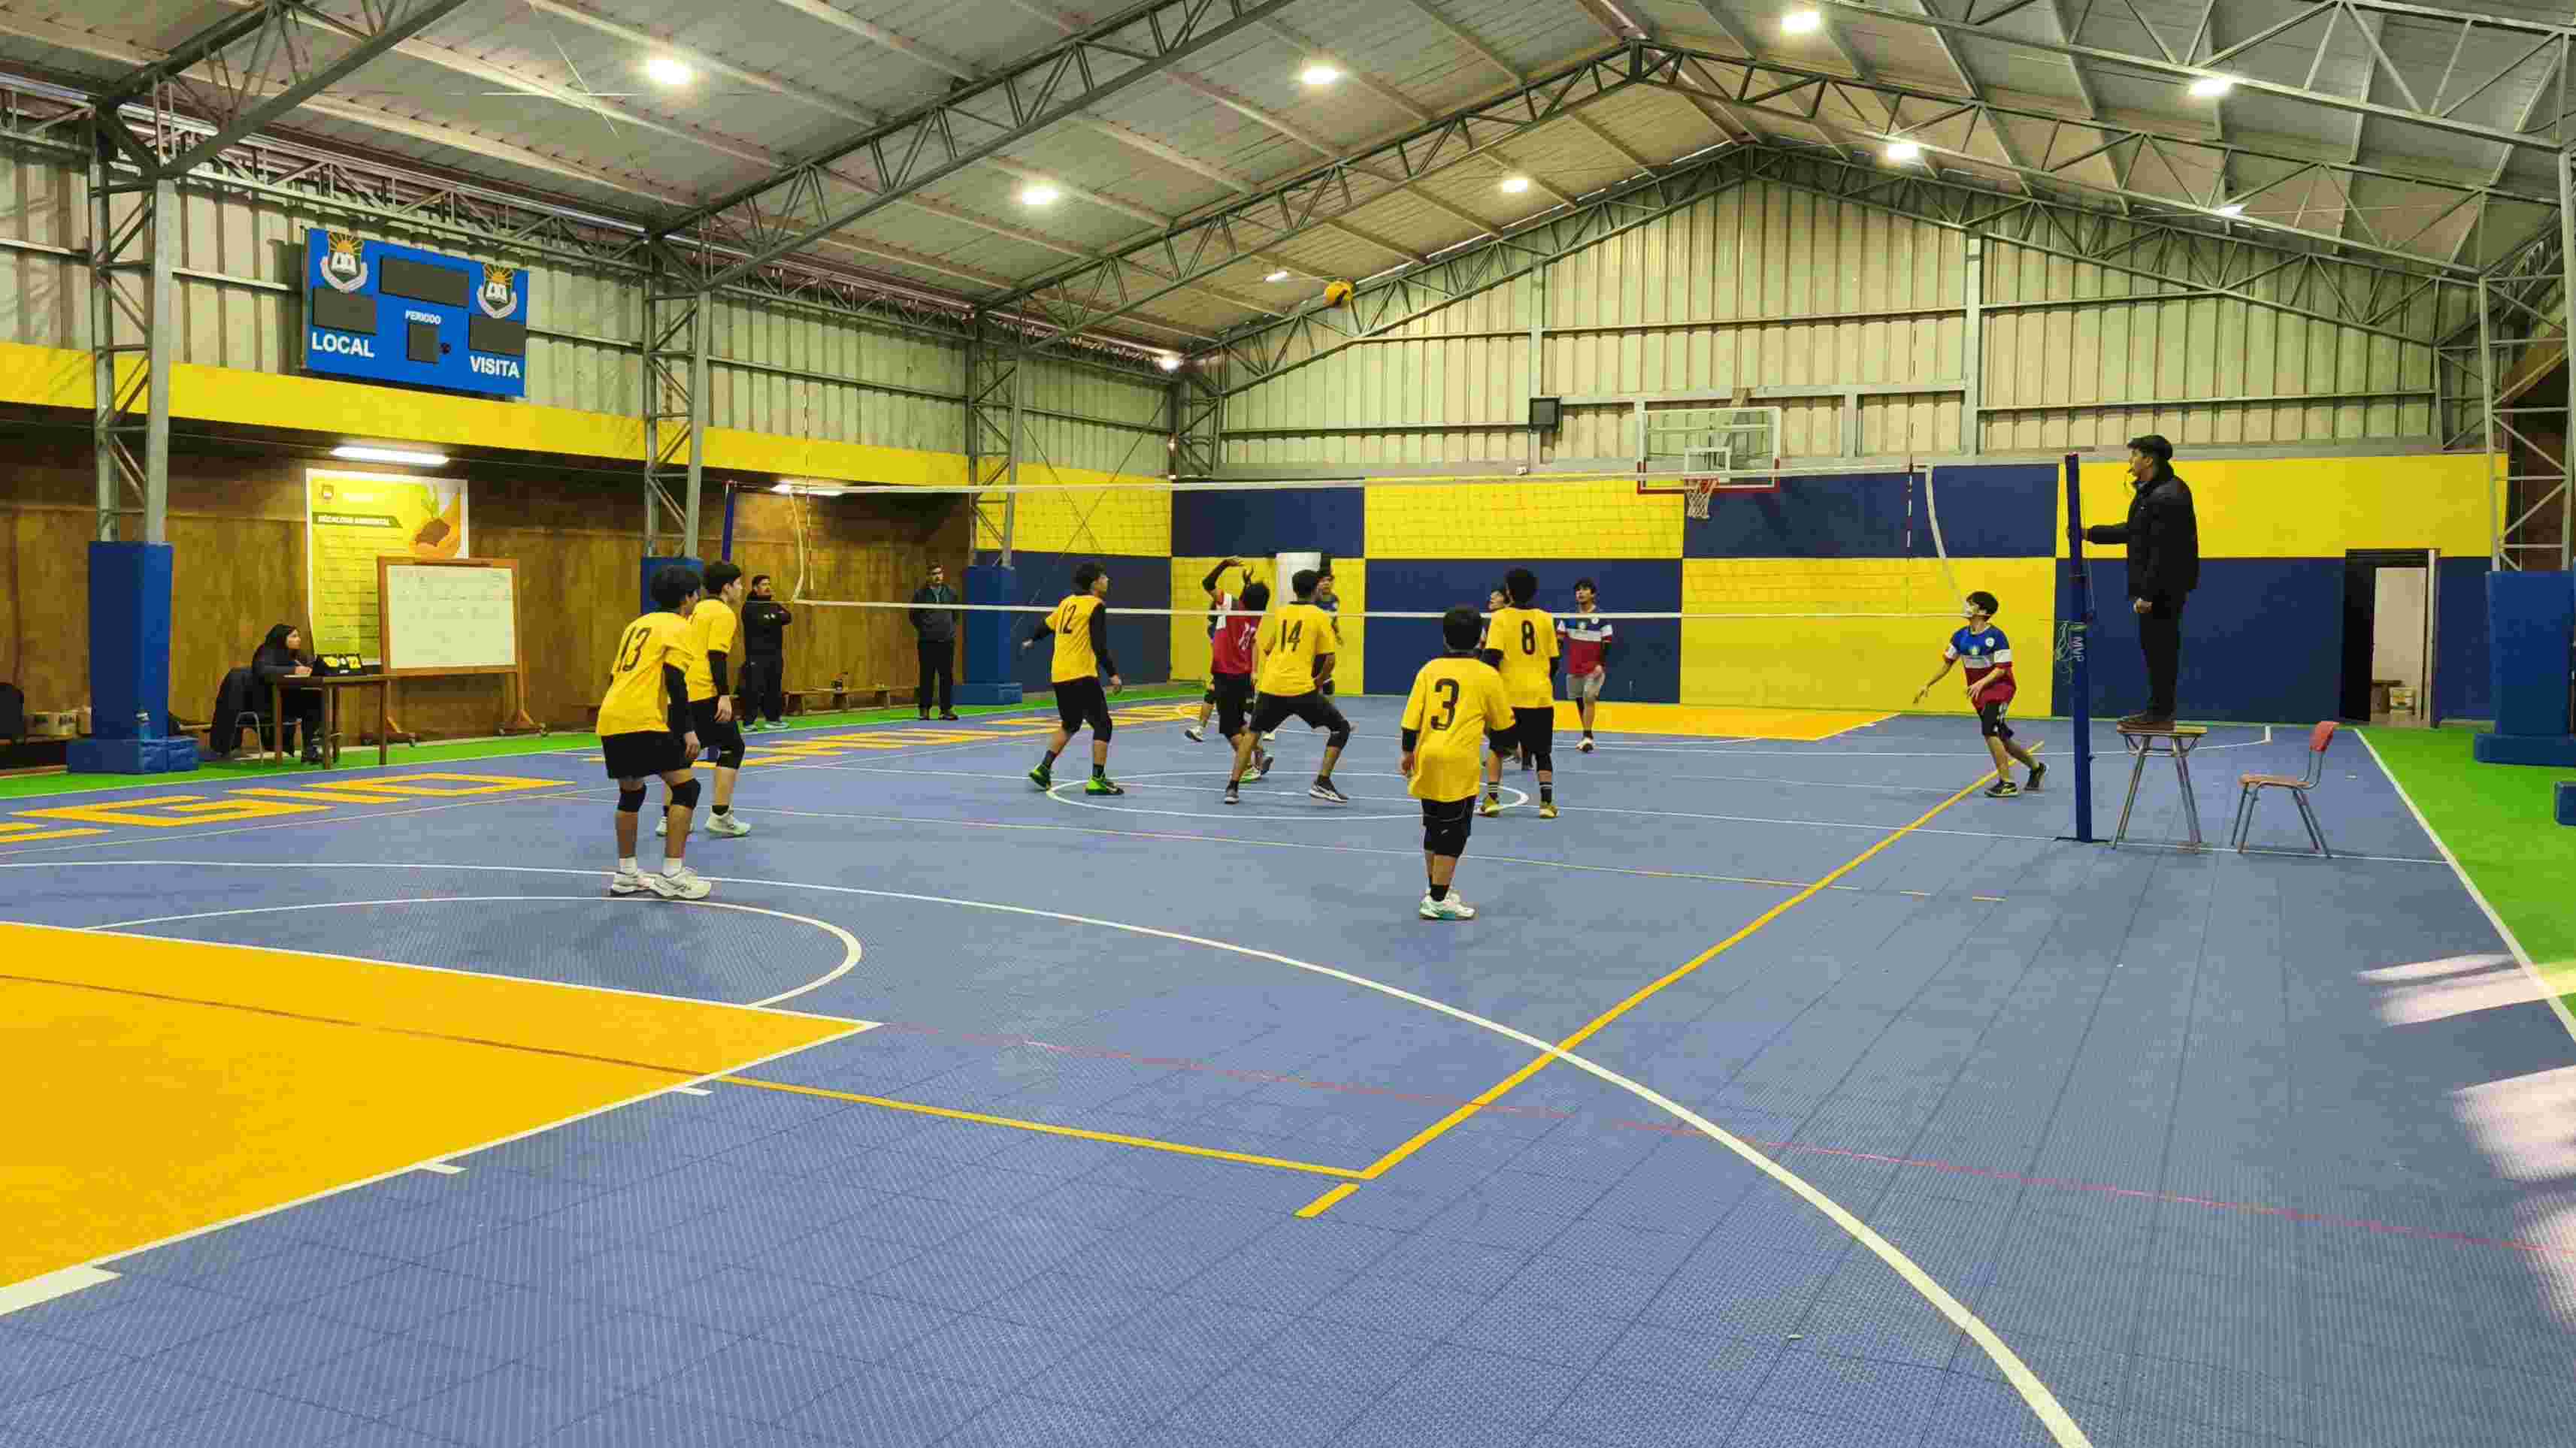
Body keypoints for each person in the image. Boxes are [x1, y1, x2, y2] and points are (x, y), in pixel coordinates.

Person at [599, 566, 710, 899]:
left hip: (613, 715)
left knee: (631, 793)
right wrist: (688, 730)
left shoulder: (638, 624)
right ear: (687, 597)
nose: (697, 600)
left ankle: (627, 874)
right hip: (641, 717)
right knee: (687, 789)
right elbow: (676, 680)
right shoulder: (679, 626)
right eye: (696, 594)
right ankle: (672, 875)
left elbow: (614, 675)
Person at [1401, 606, 1515, 921]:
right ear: (1481, 638)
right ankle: (1438, 900)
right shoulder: (1487, 675)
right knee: (1455, 832)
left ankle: (1435, 889)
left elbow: (1410, 719)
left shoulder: (1429, 669)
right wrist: (1511, 747)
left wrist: (1407, 752)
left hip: (1428, 755)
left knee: (1433, 825)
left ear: (1445, 637)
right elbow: (1504, 726)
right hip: (1459, 761)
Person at [2084, 434, 2200, 728]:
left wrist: (2148, 594)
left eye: (2134, 455)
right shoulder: (2152, 492)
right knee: (2155, 650)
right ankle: (2159, 711)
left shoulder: (2168, 495)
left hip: (2163, 590)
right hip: (2158, 587)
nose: (2130, 460)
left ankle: (2160, 713)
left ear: (2148, 459)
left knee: (2161, 651)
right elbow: (2134, 531)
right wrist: (2089, 533)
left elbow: (2164, 551)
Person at [1227, 569, 1352, 806]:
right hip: (1301, 688)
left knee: (1253, 733)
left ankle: (1232, 787)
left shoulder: (1281, 612)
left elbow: (1267, 648)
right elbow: (1330, 660)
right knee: (1341, 728)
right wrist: (1318, 681)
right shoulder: (1319, 616)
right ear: (1315, 590)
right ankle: (1322, 782)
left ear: (1295, 590)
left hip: (1272, 685)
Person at [1915, 591, 2045, 799]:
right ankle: (2036, 767)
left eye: (1971, 604)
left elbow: (2002, 668)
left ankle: (2007, 783)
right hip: (1979, 693)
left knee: (1989, 731)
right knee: (2001, 738)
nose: (1966, 607)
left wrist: (1981, 683)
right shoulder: (1960, 636)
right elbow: (1947, 664)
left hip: (2000, 689)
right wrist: (1927, 684)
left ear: (1983, 612)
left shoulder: (1997, 636)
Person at [659, 561, 750, 839]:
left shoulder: (693, 609)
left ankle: (668, 818)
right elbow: (717, 656)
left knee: (681, 755)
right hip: (704, 692)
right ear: (727, 587)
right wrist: (724, 695)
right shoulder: (722, 613)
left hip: (679, 691)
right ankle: (720, 815)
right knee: (733, 747)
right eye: (739, 583)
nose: (741, 588)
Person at [1022, 562, 1125, 794]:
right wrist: (1113, 674)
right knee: (1103, 725)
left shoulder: (1067, 602)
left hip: (1059, 675)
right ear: (1094, 583)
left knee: (1070, 724)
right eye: (1104, 577)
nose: (1107, 580)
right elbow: (1099, 645)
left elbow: (1046, 626)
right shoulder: (1095, 605)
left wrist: (1032, 640)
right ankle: (1097, 779)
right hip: (1082, 675)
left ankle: (1043, 769)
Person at [1482, 568, 1560, 819]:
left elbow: (1491, 657)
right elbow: (1555, 661)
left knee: (1497, 748)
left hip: (1509, 696)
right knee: (1543, 752)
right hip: (1540, 696)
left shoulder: (1500, 618)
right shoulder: (1546, 618)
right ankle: (1546, 803)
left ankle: (1492, 799)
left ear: (1508, 591)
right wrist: (1541, 681)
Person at [1205, 580, 1274, 780]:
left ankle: (1248, 766)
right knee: (1238, 721)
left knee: (1229, 728)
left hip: (1227, 675)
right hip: (1242, 676)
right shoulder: (1256, 617)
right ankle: (1260, 751)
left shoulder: (1232, 612)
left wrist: (1225, 565)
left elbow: (1208, 584)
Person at [1185, 558, 1247, 743]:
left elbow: (1236, 605)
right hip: (1230, 669)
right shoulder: (1217, 627)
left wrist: (1227, 567)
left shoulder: (1228, 621)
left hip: (1231, 670)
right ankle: (1200, 728)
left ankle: (1263, 738)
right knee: (1219, 701)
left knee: (1238, 715)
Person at [251, 624, 325, 764]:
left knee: (316, 700)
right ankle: (310, 747)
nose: (299, 639)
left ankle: (310, 750)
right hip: (268, 701)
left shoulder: (298, 654)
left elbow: (310, 666)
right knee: (313, 702)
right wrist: (293, 670)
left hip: (287, 699)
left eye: (298, 636)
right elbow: (263, 670)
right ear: (282, 638)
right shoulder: (267, 651)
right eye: (294, 636)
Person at [1559, 578, 1613, 753]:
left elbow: (1607, 643)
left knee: (1589, 697)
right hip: (1575, 668)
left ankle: (1588, 736)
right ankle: (1586, 736)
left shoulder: (1602, 618)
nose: (1580, 593)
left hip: (1593, 668)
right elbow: (1559, 641)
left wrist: (1601, 665)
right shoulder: (1568, 617)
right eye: (1578, 590)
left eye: (1585, 589)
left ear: (1593, 594)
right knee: (1579, 700)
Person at [1479, 585, 1530, 770]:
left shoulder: (1511, 620)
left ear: (1507, 599)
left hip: (1510, 678)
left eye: (1497, 596)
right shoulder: (1489, 621)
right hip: (1494, 677)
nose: (1492, 598)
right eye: (1491, 596)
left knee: (1501, 718)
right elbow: (1482, 649)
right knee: (1486, 719)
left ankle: (1512, 749)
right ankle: (1511, 748)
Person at [910, 563, 961, 721]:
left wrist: (948, 629)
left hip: (946, 641)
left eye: (939, 573)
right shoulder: (920, 594)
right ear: (928, 576)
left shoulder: (951, 593)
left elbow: (956, 615)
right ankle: (924, 710)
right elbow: (913, 616)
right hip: (927, 642)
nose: (937, 576)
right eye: (934, 574)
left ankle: (946, 710)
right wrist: (926, 629)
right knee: (927, 676)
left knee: (947, 676)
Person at [739, 573, 791, 731]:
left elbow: (787, 617)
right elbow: (761, 622)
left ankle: (772, 720)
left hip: (775, 654)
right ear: (755, 588)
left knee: (774, 688)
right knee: (753, 689)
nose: (768, 587)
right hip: (756, 655)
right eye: (763, 584)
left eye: (769, 584)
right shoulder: (749, 606)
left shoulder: (774, 604)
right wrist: (774, 617)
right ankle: (748, 722)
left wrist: (772, 617)